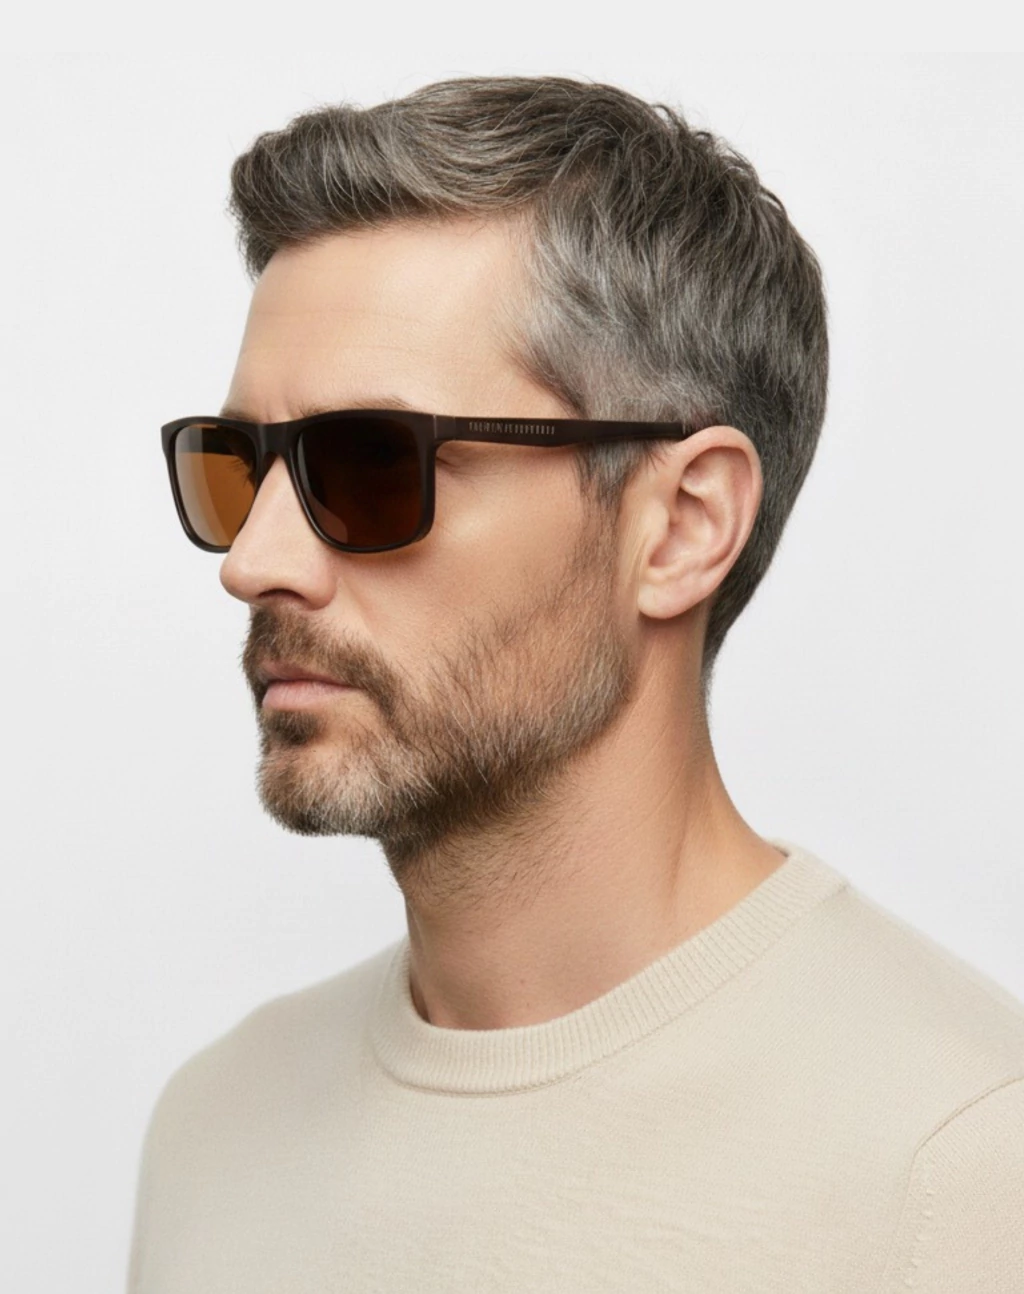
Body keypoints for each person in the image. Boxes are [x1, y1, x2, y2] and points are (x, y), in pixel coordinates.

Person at [128, 75, 1024, 1292]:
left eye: (372, 464)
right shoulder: (214, 1129)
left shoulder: (960, 1164)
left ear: (681, 526)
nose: (253, 561)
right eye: (235, 466)